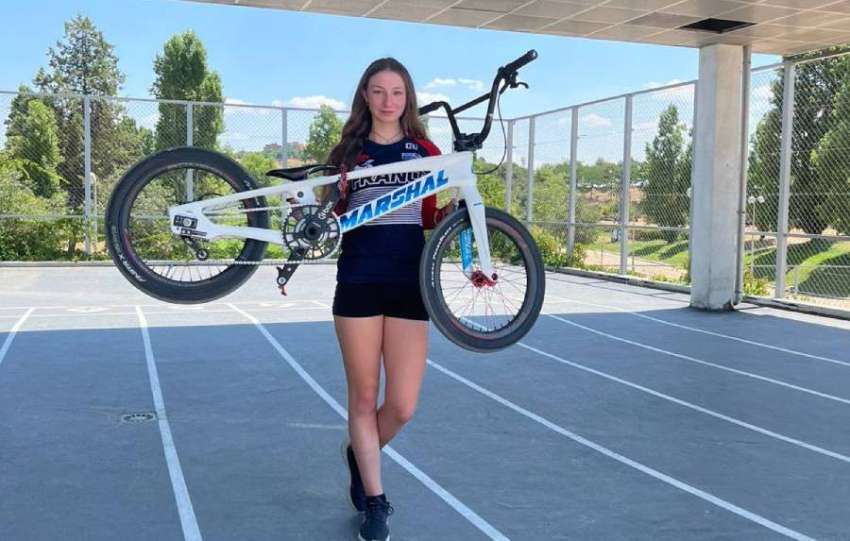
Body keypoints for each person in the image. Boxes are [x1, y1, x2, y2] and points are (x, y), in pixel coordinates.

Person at [327, 57, 455, 541]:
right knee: (363, 398)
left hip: (408, 281)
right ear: (365, 95)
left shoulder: (424, 150)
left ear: (408, 98)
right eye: (378, 91)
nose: (387, 101)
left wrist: (452, 212)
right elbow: (329, 218)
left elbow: (429, 217)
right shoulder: (349, 152)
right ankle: (376, 502)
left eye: (397, 92)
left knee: (401, 406)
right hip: (358, 279)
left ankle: (358, 453)